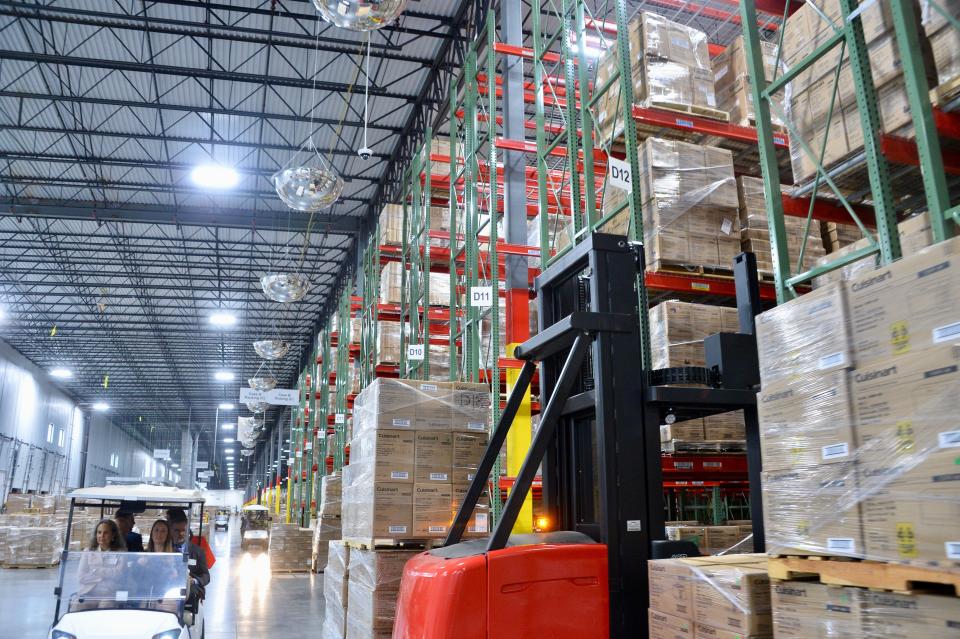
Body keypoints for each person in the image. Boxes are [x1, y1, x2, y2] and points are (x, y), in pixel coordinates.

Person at [77, 519, 126, 608]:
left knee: (105, 606)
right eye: (99, 532)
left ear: (113, 535)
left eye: (106, 533)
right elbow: (81, 577)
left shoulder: (121, 553)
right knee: (77, 605)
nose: (102, 536)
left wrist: (95, 570)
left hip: (110, 593)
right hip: (89, 592)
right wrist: (105, 576)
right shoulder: (88, 551)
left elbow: (118, 574)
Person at [166, 508, 210, 602]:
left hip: (190, 589)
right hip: (168, 585)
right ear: (170, 531)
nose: (181, 534)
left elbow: (206, 575)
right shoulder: (164, 550)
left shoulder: (198, 551)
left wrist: (193, 580)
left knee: (190, 593)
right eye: (177, 530)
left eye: (183, 530)